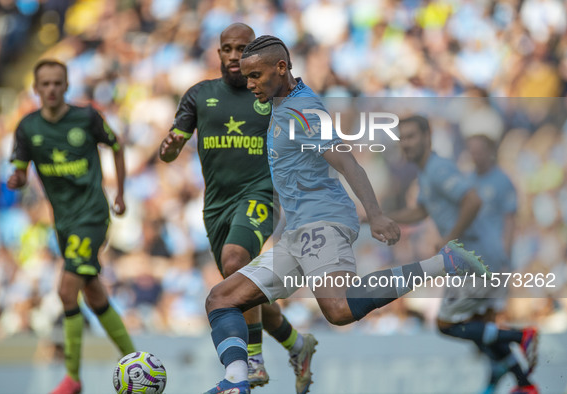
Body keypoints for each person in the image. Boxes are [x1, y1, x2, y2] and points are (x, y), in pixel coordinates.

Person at [202, 35, 490, 394]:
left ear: (281, 68)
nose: (250, 84)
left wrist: (377, 213)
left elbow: (346, 159)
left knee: (337, 309)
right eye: (247, 77)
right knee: (221, 298)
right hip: (298, 231)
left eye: (256, 76)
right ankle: (235, 382)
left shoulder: (304, 109)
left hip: (323, 219)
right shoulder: (279, 99)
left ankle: (443, 263)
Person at [159, 24, 315, 392]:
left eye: (241, 49)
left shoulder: (270, 95)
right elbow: (173, 145)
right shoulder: (199, 95)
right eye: (226, 48)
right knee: (242, 291)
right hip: (216, 207)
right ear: (218, 53)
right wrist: (168, 148)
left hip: (260, 195)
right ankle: (297, 345)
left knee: (234, 263)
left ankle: (253, 361)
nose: (232, 55)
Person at [7, 59, 135, 394]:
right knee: (92, 293)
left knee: (66, 291)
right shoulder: (27, 128)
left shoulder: (86, 118)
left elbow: (117, 145)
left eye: (57, 83)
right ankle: (136, 362)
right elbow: (20, 170)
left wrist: (120, 193)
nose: (50, 89)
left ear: (66, 86)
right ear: (36, 89)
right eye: (44, 84)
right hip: (62, 222)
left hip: (92, 215)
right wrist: (17, 178)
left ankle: (72, 378)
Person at [391, 116, 538, 394]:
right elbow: (421, 210)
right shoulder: (434, 173)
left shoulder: (450, 172)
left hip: (480, 256)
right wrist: (376, 216)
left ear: (428, 137)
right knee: (480, 331)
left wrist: (450, 239)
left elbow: (488, 210)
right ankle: (522, 382)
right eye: (402, 138)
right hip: (476, 255)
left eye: (411, 136)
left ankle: (521, 338)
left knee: (448, 324)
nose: (405, 143)